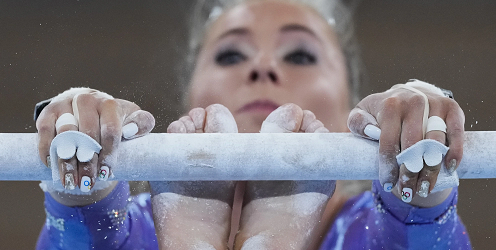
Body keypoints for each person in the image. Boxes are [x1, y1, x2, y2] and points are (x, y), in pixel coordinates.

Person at [34, 0, 471, 249]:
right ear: (192, 97)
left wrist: (420, 149)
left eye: (299, 55)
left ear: (354, 108)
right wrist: (85, 168)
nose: (263, 67)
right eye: (231, 55)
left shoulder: (367, 229)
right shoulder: (134, 228)